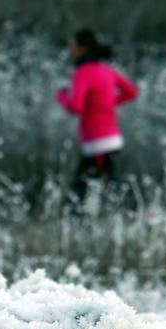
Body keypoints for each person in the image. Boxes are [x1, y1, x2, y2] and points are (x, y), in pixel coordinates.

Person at [54, 28, 138, 207]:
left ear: (82, 48)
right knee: (116, 190)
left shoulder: (82, 72)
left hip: (95, 143)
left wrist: (61, 96)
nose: (70, 50)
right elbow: (131, 92)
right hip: (113, 141)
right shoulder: (106, 70)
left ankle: (72, 227)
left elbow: (76, 106)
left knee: (77, 196)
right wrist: (105, 104)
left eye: (72, 46)